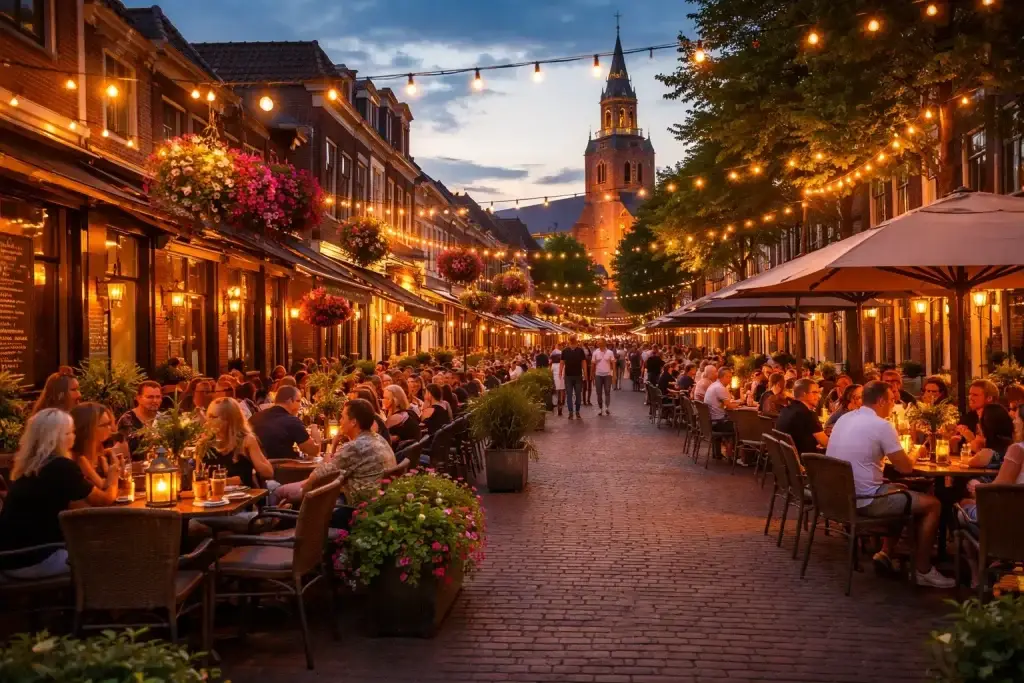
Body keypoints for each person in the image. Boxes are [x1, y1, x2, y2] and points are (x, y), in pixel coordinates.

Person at [826, 381, 955, 588]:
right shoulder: (882, 425)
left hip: (837, 496)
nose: (893, 405)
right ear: (881, 401)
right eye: (892, 401)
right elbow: (905, 468)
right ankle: (923, 570)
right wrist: (916, 452)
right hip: (864, 501)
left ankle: (886, 552)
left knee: (901, 491)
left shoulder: (845, 419)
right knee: (933, 504)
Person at [0, 409, 118, 579]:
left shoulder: (35, 466)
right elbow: (104, 501)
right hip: (35, 557)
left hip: (13, 556)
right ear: (57, 437)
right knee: (115, 555)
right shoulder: (60, 466)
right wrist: (113, 477)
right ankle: (98, 603)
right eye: (69, 432)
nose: (74, 436)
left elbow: (76, 506)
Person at [278, 399, 397, 511]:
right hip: (376, 502)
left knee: (281, 492)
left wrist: (303, 494)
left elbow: (319, 476)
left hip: (354, 508)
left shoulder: (355, 447)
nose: (340, 421)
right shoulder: (379, 439)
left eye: (342, 417)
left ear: (353, 422)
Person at [200, 397, 273, 487]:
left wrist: (255, 459)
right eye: (208, 416)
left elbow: (268, 473)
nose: (208, 421)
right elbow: (200, 478)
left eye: (213, 417)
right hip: (214, 498)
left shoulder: (246, 440)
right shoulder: (206, 443)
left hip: (247, 496)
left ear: (229, 419)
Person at [248, 386, 320, 460]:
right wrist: (315, 432)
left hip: (255, 466)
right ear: (290, 400)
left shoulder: (255, 417)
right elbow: (313, 451)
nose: (300, 406)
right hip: (283, 469)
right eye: (298, 401)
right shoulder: (292, 421)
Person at [71, 403, 129, 491]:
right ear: (88, 429)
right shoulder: (80, 459)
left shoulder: (101, 452)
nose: (111, 429)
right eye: (105, 425)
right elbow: (104, 488)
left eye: (110, 423)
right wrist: (114, 469)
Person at [776, 379, 829, 455]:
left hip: (787, 459)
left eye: (819, 392)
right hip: (805, 461)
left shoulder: (786, 410)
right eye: (814, 392)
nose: (819, 396)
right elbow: (826, 443)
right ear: (804, 394)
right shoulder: (807, 414)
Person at [117, 380, 163, 459]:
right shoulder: (127, 420)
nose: (155, 401)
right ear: (138, 398)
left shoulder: (164, 419)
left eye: (158, 397)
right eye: (150, 397)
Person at [952, 379, 1000, 453]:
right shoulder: (968, 417)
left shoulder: (998, 420)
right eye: (970, 394)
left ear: (989, 398)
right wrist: (950, 439)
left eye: (975, 395)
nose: (970, 397)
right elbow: (956, 451)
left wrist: (971, 439)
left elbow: (991, 455)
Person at [703, 366, 739, 460]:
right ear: (724, 377)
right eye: (729, 377)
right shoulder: (720, 388)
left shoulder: (713, 385)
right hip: (718, 422)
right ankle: (732, 455)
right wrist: (740, 404)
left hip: (711, 421)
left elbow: (724, 405)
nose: (730, 379)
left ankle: (721, 453)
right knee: (740, 428)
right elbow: (729, 406)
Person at [560, 336, 587, 420]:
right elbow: (562, 362)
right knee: (573, 395)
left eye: (573, 340)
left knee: (575, 395)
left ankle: (574, 412)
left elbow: (583, 362)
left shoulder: (580, 350)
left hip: (575, 376)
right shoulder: (565, 351)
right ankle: (573, 412)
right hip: (570, 376)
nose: (572, 342)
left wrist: (585, 372)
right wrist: (560, 371)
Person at [591, 338, 616, 416]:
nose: (599, 344)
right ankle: (600, 408)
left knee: (607, 391)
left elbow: (613, 364)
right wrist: (592, 374)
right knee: (598, 392)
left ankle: (607, 407)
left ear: (604, 343)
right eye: (598, 343)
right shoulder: (595, 353)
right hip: (598, 375)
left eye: (600, 343)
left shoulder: (610, 352)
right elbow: (593, 364)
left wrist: (614, 374)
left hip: (607, 375)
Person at [550, 349, 566, 417]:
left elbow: (550, 372)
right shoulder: (563, 364)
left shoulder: (553, 365)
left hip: (556, 380)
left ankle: (558, 404)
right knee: (562, 392)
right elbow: (564, 372)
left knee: (556, 393)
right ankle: (561, 404)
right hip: (562, 379)